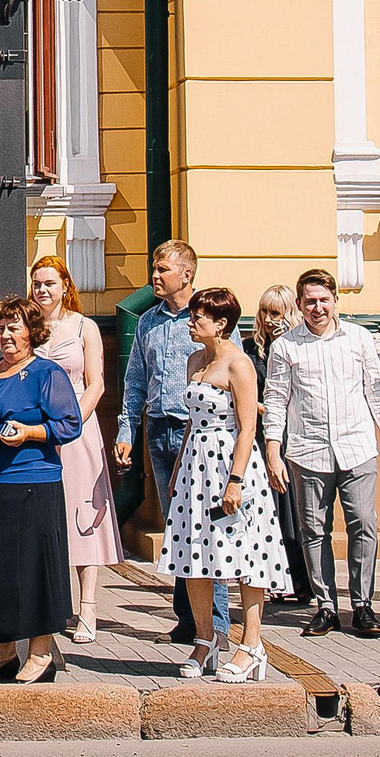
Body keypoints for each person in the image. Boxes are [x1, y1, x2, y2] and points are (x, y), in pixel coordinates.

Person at [158, 289, 292, 682]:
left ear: (221, 324)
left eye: (198, 317)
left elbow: (248, 426)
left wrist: (235, 481)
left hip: (229, 463)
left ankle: (251, 645)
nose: (191, 323)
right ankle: (206, 640)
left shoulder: (239, 364)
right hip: (195, 466)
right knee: (195, 554)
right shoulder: (194, 360)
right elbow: (191, 421)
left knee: (246, 554)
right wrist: (179, 468)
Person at [262, 267, 380, 638]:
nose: (318, 308)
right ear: (299, 304)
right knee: (314, 531)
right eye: (310, 301)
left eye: (324, 300)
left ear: (335, 301)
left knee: (364, 523)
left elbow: (377, 391)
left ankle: (363, 605)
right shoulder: (285, 346)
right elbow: (276, 399)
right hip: (307, 451)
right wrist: (273, 449)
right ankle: (326, 606)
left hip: (357, 447)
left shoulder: (358, 339)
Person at [0, 296, 84, 683]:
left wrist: (30, 432)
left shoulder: (46, 373)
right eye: (1, 328)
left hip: (31, 484)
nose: (6, 335)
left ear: (32, 333)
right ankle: (3, 651)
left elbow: (69, 423)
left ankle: (40, 654)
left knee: (34, 571)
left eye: (15, 328)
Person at [113, 239, 221, 642]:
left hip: (202, 432)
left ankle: (216, 624)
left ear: (186, 274)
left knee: (207, 525)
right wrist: (127, 432)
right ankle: (188, 618)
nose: (155, 276)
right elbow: (136, 381)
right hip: (160, 430)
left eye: (163, 270)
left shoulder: (207, 318)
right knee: (179, 525)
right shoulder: (148, 322)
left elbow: (232, 369)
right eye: (154, 268)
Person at [29, 255, 115, 641]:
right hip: (37, 428)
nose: (42, 290)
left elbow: (96, 383)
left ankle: (88, 606)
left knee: (82, 513)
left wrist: (72, 423)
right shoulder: (29, 326)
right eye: (37, 283)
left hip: (77, 425)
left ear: (65, 285)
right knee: (45, 515)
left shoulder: (84, 326)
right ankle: (50, 603)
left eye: (49, 283)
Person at [245, 286, 313, 609]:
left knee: (296, 511)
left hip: (294, 434)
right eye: (265, 312)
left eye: (276, 312)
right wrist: (263, 407)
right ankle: (275, 578)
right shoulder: (251, 349)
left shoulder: (299, 346)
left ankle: (302, 581)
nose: (269, 319)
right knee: (269, 510)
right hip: (261, 437)